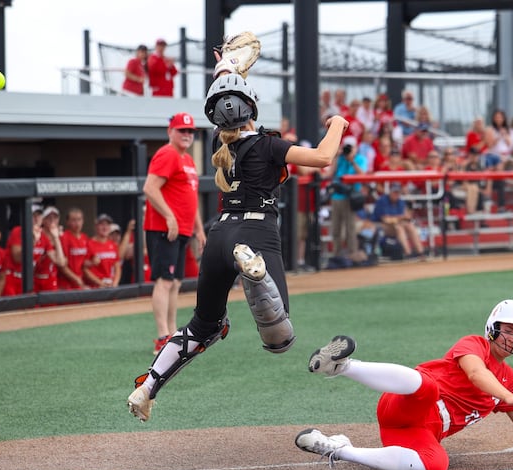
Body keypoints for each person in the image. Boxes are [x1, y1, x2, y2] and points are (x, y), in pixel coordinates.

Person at [127, 44, 350, 422]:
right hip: (257, 231)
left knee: (203, 326)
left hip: (219, 236)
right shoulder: (268, 145)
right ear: (252, 107)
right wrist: (339, 125)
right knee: (280, 340)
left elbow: (228, 108)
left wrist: (227, 68)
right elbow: (323, 159)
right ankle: (255, 276)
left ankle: (148, 386)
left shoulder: (219, 145)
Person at [294, 299, 513, 470]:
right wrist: (507, 396)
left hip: (417, 432)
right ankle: (342, 366)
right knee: (428, 388)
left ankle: (337, 448)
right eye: (508, 330)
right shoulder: (474, 344)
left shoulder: (507, 378)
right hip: (406, 402)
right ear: (493, 328)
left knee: (436, 466)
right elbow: (475, 374)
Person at [142, 112, 207, 355]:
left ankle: (171, 333)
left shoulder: (188, 159)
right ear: (170, 132)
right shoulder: (168, 153)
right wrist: (169, 216)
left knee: (175, 282)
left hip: (181, 229)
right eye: (182, 130)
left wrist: (199, 229)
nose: (187, 135)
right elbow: (150, 188)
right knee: (165, 281)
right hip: (164, 229)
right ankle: (162, 335)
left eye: (190, 131)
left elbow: (191, 199)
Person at [329, 136, 367, 261]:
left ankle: (353, 253)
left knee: (350, 227)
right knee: (336, 227)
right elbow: (330, 173)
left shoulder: (360, 159)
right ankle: (337, 254)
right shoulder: (340, 158)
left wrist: (352, 160)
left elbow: (362, 175)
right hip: (337, 196)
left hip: (351, 196)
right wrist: (335, 156)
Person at [373, 183, 426, 259]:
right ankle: (408, 253)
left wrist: (404, 217)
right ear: (390, 192)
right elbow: (386, 220)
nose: (396, 194)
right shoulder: (383, 200)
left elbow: (406, 217)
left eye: (398, 192)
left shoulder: (400, 201)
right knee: (399, 227)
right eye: (394, 192)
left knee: (409, 226)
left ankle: (420, 252)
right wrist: (400, 218)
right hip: (380, 225)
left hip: (396, 224)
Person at [84, 214, 122, 288]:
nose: (105, 227)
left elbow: (117, 266)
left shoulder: (112, 245)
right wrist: (100, 283)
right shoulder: (89, 243)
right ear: (96, 226)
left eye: (107, 225)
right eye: (102, 224)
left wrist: (115, 283)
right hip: (95, 286)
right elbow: (85, 269)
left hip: (111, 284)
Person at [35, 206, 66, 292]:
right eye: (49, 217)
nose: (52, 220)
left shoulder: (61, 236)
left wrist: (56, 238)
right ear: (43, 220)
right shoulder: (38, 234)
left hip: (51, 278)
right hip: (35, 278)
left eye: (55, 217)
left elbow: (62, 262)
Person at [58, 207, 90, 290]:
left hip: (80, 282)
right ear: (68, 222)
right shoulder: (64, 237)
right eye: (74, 220)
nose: (77, 223)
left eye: (79, 220)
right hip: (66, 283)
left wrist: (92, 261)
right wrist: (77, 279)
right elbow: (62, 266)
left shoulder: (85, 238)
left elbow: (85, 262)